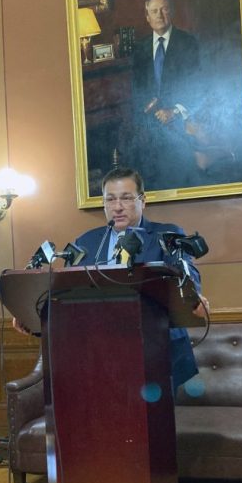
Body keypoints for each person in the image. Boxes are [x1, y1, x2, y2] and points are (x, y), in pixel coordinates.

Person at [75, 167, 208, 392]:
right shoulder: (86, 242)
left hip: (156, 351)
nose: (117, 207)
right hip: (101, 353)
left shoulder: (165, 235)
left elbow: (186, 273)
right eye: (110, 199)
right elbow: (68, 290)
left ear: (142, 201)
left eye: (126, 198)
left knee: (156, 425)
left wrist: (193, 296)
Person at [130, 0, 202, 190]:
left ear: (171, 12)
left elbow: (198, 86)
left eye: (164, 9)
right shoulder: (140, 48)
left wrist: (175, 110)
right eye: (154, 11)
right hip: (149, 127)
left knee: (179, 179)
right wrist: (149, 111)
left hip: (181, 124)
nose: (159, 15)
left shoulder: (189, 43)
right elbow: (136, 89)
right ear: (147, 17)